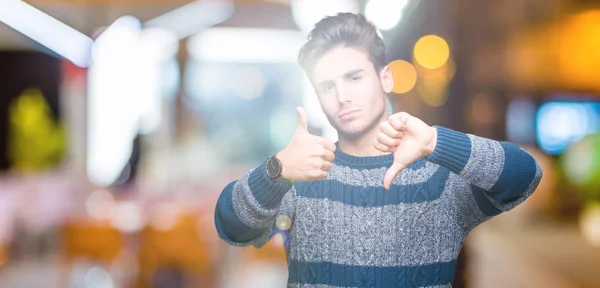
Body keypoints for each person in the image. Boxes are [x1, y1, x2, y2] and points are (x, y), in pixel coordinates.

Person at [214, 12, 542, 288]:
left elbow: (524, 175)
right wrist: (276, 170)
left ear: (385, 79)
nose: (342, 95)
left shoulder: (438, 178)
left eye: (354, 77)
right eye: (327, 86)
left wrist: (435, 142)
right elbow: (231, 227)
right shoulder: (300, 175)